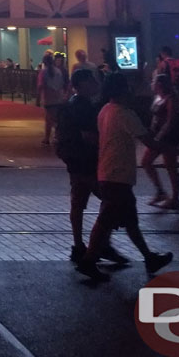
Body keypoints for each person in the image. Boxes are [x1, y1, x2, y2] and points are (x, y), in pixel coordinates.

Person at [76, 73, 174, 282]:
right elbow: (149, 141)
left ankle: (149, 257)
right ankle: (88, 260)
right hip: (117, 175)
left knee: (130, 221)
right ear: (122, 90)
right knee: (105, 221)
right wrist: (175, 149)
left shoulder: (105, 111)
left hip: (109, 172)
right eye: (128, 88)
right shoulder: (124, 114)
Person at [56, 68, 124, 264]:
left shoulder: (70, 105)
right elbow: (89, 136)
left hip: (75, 161)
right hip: (88, 162)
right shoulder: (85, 107)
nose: (96, 83)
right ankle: (102, 243)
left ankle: (79, 245)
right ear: (83, 84)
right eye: (92, 80)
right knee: (111, 201)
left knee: (78, 204)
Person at [141, 74, 179, 211]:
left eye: (153, 81)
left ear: (160, 84)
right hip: (157, 136)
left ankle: (175, 199)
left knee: (171, 166)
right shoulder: (157, 97)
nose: (151, 84)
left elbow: (170, 120)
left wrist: (159, 136)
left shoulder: (170, 98)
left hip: (167, 137)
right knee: (146, 162)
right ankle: (160, 191)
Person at [36, 52, 67, 145]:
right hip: (58, 96)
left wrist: (38, 98)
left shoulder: (43, 72)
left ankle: (50, 137)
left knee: (50, 118)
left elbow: (40, 85)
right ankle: (55, 135)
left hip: (48, 97)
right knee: (54, 117)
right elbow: (62, 83)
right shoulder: (58, 71)